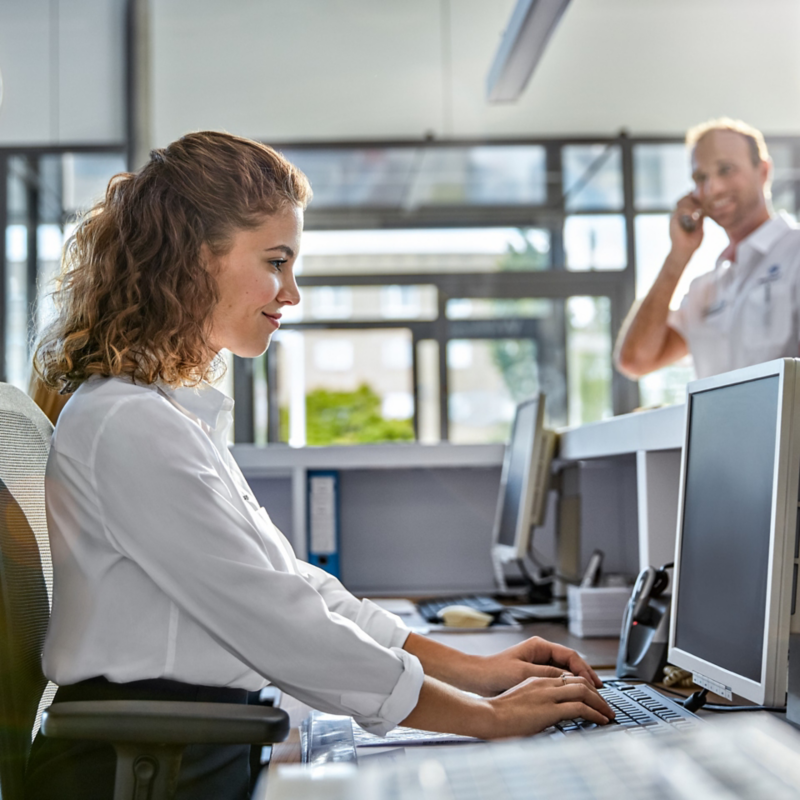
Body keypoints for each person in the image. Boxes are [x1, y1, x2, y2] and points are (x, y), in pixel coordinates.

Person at [26, 131, 613, 799]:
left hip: (181, 755)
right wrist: (484, 718)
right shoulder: (127, 424)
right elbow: (280, 623)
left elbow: (297, 590)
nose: (292, 292)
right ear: (194, 260)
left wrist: (480, 675)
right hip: (146, 773)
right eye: (277, 261)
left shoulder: (166, 416)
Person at [615, 118, 800, 380]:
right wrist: (678, 255)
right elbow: (635, 360)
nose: (713, 188)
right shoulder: (704, 290)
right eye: (701, 177)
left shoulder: (795, 253)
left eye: (726, 169)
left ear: (763, 171)